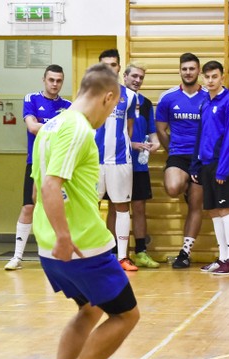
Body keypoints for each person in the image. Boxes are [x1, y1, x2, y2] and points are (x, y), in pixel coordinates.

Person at [34, 63, 140, 359]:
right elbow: (50, 185)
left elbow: (39, 188)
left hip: (49, 244)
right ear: (108, 97)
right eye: (112, 108)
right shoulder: (78, 128)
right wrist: (66, 235)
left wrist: (55, 236)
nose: (109, 114)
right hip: (80, 244)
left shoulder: (50, 126)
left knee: (90, 309)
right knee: (126, 315)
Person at [4, 64, 71, 271]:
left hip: (58, 164)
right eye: (51, 80)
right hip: (36, 162)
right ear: (44, 79)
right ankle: (17, 257)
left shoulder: (68, 105)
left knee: (58, 207)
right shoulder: (31, 99)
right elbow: (32, 127)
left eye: (59, 80)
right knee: (28, 206)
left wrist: (48, 126)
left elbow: (69, 133)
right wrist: (57, 126)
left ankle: (56, 255)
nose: (54, 84)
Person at [155, 53, 206, 268]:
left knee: (196, 204)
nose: (188, 72)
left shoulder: (208, 97)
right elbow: (160, 129)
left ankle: (185, 252)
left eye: (192, 69)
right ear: (180, 71)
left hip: (202, 158)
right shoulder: (168, 97)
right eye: (184, 69)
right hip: (178, 154)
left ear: (199, 71)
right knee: (173, 187)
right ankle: (185, 183)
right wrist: (171, 149)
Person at [193, 60, 229, 275]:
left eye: (215, 76)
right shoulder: (204, 102)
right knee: (213, 211)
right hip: (206, 164)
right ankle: (222, 258)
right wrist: (196, 164)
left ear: (222, 77)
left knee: (226, 209)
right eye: (207, 77)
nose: (210, 80)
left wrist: (223, 169)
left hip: (223, 164)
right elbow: (201, 134)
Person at [96, 49, 138, 271]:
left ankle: (122, 256)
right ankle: (91, 255)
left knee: (122, 206)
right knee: (89, 207)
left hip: (121, 160)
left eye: (113, 64)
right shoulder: (89, 94)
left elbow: (129, 129)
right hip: (93, 162)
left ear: (119, 67)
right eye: (105, 65)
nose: (109, 69)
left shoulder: (130, 96)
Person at [123, 62, 161, 269]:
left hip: (139, 166)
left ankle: (140, 252)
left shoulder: (146, 103)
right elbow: (111, 135)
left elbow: (153, 132)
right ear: (125, 77)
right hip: (119, 163)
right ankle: (115, 254)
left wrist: (154, 144)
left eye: (141, 77)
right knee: (116, 207)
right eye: (134, 76)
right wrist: (132, 145)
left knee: (139, 207)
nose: (138, 80)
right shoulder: (116, 100)